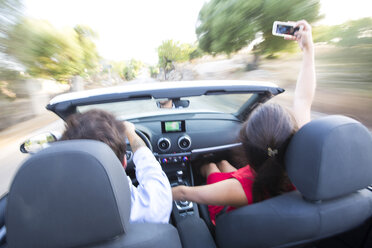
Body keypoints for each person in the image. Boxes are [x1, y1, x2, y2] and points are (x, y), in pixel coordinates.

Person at [172, 20, 316, 225]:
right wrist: (308, 49)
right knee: (223, 164)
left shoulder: (241, 190)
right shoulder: (302, 161)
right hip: (249, 184)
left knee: (212, 168)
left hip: (228, 211)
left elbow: (185, 193)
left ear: (247, 151)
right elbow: (303, 99)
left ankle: (202, 166)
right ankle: (212, 164)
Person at [60, 109, 172, 224]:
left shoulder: (58, 214)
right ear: (124, 162)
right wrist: (131, 133)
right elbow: (150, 168)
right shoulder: (151, 207)